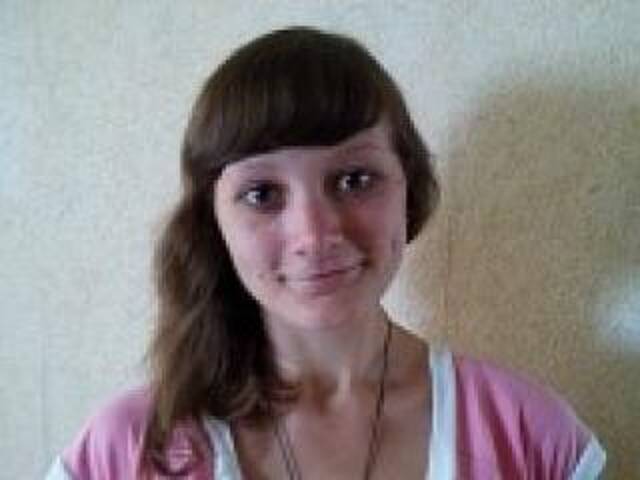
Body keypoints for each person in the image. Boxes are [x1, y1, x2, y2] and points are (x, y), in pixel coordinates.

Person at [46, 26, 606, 479]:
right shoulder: (123, 453)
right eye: (262, 194)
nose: (314, 235)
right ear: (213, 221)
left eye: (355, 179)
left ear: (409, 189)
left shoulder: (536, 440)